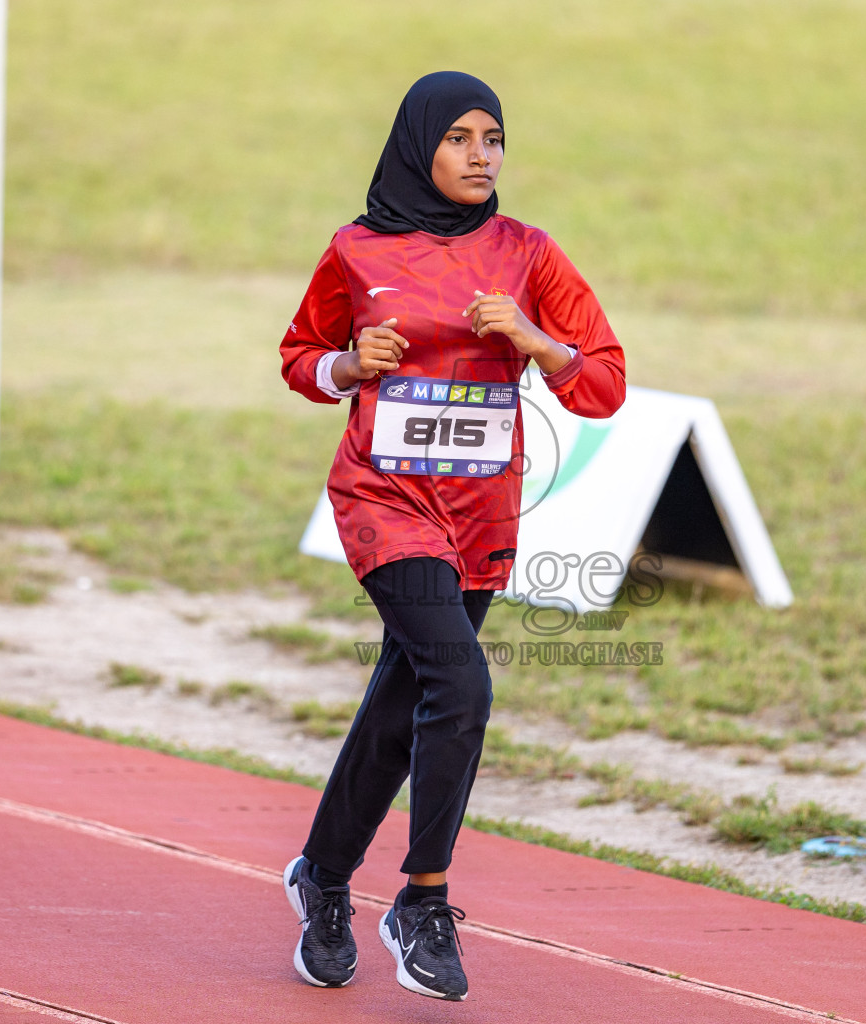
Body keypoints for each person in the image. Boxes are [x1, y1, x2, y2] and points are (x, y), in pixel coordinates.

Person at [277, 70, 625, 1002]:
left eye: (495, 139)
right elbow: (297, 359)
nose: (482, 156)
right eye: (462, 138)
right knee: (461, 683)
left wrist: (537, 343)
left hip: (482, 514)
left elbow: (604, 384)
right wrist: (351, 363)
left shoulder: (527, 253)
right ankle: (422, 900)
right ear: (418, 145)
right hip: (384, 500)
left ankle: (320, 876)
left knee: (406, 697)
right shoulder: (356, 251)